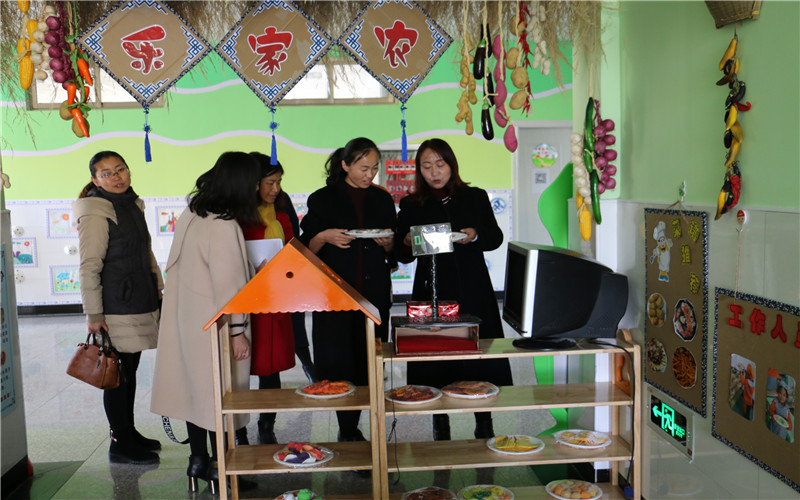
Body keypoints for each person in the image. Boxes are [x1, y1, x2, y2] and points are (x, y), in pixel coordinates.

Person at [150, 152, 260, 494]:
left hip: (187, 321)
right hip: (217, 326)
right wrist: (238, 331)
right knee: (219, 396)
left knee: (195, 393)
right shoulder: (223, 225)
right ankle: (222, 468)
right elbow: (230, 287)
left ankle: (197, 460)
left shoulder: (193, 214)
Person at [395, 138, 512, 441]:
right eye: (426, 166)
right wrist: (406, 242)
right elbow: (401, 253)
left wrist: (475, 235)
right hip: (432, 290)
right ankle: (439, 423)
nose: (434, 172)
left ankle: (484, 421)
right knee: (435, 357)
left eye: (440, 164)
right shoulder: (412, 204)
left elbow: (495, 238)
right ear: (419, 170)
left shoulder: (474, 197)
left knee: (477, 355)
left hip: (473, 289)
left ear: (451, 165)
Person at [299, 137, 397, 442]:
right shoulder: (322, 199)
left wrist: (388, 243)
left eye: (374, 168)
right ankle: (347, 427)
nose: (370, 174)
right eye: (363, 168)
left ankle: (369, 418)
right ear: (344, 165)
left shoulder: (381, 199)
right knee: (338, 361)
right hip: (334, 295)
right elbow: (305, 248)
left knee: (370, 358)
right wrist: (324, 237)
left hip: (373, 293)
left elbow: (393, 251)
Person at [74, 151, 163, 465]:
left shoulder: (131, 204)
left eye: (120, 169)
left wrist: (159, 290)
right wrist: (94, 314)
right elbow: (89, 265)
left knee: (129, 370)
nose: (116, 177)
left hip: (138, 298)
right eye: (107, 173)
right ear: (95, 180)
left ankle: (129, 432)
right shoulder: (96, 210)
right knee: (116, 374)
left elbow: (145, 252)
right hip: (114, 305)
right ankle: (119, 442)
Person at [236, 152, 316, 446]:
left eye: (278, 182)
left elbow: (294, 251)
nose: (275, 189)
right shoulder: (235, 218)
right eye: (269, 183)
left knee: (270, 366)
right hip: (243, 304)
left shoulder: (281, 216)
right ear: (253, 183)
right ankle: (238, 430)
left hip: (274, 302)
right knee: (239, 369)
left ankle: (267, 423)